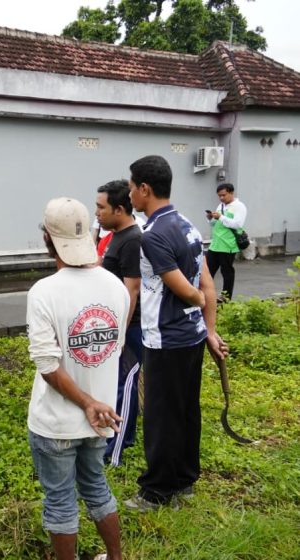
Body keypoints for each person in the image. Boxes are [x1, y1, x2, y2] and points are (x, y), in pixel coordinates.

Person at [27, 197, 128, 560]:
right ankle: (115, 557)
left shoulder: (44, 292)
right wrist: (95, 403)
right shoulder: (115, 286)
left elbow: (48, 364)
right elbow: (113, 347)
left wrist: (85, 403)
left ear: (47, 240)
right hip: (101, 418)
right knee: (96, 486)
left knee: (60, 499)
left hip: (58, 421)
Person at [125, 155, 227, 512]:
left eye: (131, 186)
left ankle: (156, 491)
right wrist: (209, 328)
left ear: (144, 189)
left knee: (160, 414)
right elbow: (208, 283)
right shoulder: (186, 225)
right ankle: (184, 479)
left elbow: (189, 289)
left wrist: (197, 303)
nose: (129, 193)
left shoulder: (152, 235)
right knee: (185, 409)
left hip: (165, 338)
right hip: (191, 336)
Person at [95, 180, 143, 466]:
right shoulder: (117, 235)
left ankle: (116, 447)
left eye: (102, 207)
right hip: (117, 325)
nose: (97, 213)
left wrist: (121, 334)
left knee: (124, 386)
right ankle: (126, 435)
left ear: (120, 209)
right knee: (121, 384)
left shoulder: (133, 239)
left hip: (131, 328)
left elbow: (132, 290)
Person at [206, 182, 248, 300]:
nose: (221, 198)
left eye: (223, 195)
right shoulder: (221, 206)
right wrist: (210, 219)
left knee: (227, 272)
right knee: (208, 272)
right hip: (215, 244)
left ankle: (226, 297)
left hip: (228, 244)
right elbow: (216, 224)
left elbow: (237, 224)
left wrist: (221, 217)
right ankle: (205, 294)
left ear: (231, 193)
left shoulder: (239, 206)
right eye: (219, 196)